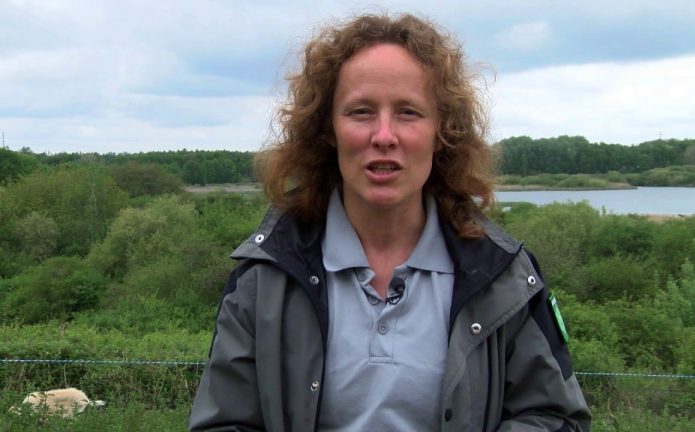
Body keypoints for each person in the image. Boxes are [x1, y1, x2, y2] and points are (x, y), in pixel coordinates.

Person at [189, 12, 591, 432]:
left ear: (442, 131)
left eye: (408, 112)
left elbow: (556, 418)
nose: (384, 135)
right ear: (329, 129)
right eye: (361, 111)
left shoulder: (504, 276)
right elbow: (223, 423)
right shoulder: (266, 276)